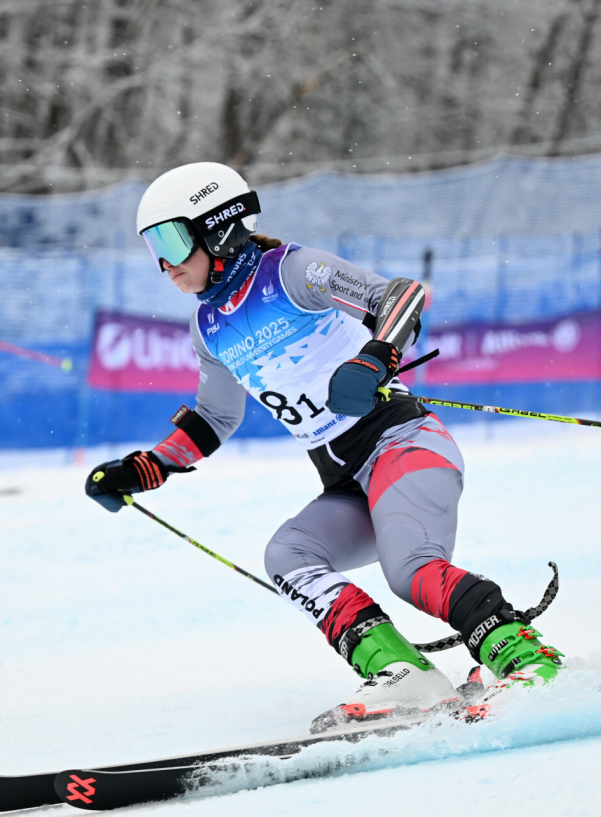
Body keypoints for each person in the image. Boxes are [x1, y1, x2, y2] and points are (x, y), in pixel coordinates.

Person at [85, 162, 562, 731]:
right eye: (151, 247)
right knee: (287, 556)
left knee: (410, 570)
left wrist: (374, 357)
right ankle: (405, 675)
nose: (163, 263)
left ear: (217, 227)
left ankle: (531, 661)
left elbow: (402, 297)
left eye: (170, 239)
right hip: (344, 480)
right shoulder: (208, 326)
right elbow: (215, 416)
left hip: (401, 443)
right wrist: (144, 469)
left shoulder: (289, 271)